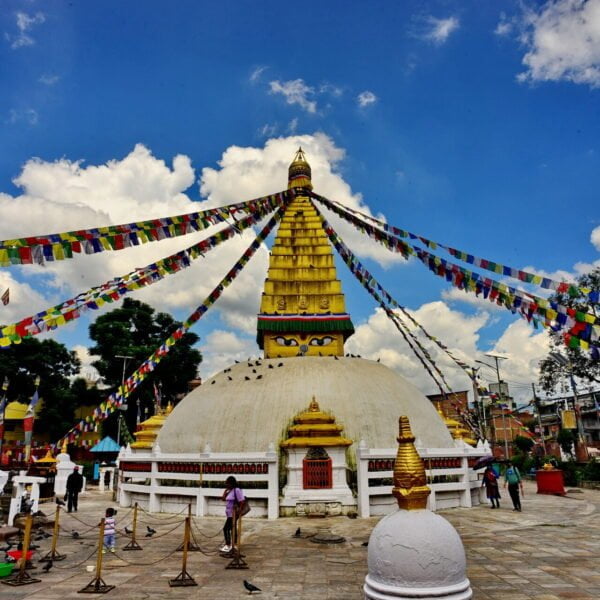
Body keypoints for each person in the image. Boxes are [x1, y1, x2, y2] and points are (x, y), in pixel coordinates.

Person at [220, 476, 245, 553]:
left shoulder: (236, 490)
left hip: (234, 513)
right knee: (232, 528)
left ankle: (228, 545)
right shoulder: (229, 491)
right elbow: (223, 499)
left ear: (231, 483)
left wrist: (239, 511)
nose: (226, 484)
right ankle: (234, 545)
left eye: (227, 483)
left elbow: (242, 501)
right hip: (229, 513)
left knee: (226, 528)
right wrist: (225, 491)